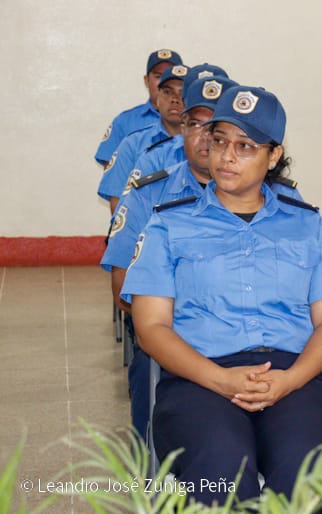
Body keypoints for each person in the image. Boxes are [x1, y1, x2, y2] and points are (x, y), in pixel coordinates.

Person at [121, 85, 322, 504]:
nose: (227, 156)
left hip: (294, 374)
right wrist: (221, 379)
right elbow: (151, 327)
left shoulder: (307, 225)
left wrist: (290, 380)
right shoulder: (169, 225)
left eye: (245, 146)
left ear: (274, 155)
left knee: (306, 466)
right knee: (221, 465)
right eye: (220, 141)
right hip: (199, 375)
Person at [101, 75, 239, 439]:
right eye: (195, 125)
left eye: (217, 129)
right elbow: (122, 285)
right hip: (175, 334)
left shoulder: (269, 195)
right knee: (148, 367)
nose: (205, 138)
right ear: (182, 129)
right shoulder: (149, 193)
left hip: (253, 335)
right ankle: (154, 464)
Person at [97, 64, 188, 213]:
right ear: (157, 99)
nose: (175, 99)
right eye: (167, 92)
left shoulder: (204, 146)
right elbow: (118, 204)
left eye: (182, 93)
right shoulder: (132, 144)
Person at [95, 49, 183, 168]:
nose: (164, 81)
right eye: (158, 76)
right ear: (146, 80)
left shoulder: (196, 122)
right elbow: (113, 171)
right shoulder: (124, 122)